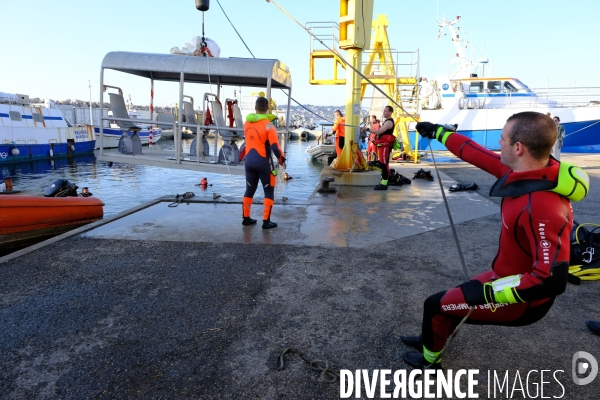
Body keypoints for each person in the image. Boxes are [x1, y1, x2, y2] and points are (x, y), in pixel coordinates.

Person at [400, 112, 589, 369]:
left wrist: (488, 292)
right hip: (503, 277)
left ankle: (429, 361)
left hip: (523, 301)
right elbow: (473, 151)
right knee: (451, 297)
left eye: (502, 138)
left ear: (519, 148)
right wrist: (437, 131)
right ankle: (430, 337)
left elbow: (549, 281)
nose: (498, 144)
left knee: (436, 305)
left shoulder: (543, 206)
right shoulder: (522, 170)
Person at [242, 96, 285, 229]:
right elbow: (275, 147)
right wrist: (282, 159)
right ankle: (266, 221)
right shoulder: (269, 126)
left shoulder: (247, 123)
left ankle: (246, 218)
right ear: (267, 109)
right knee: (268, 191)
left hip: (249, 162)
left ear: (255, 108)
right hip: (263, 163)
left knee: (249, 190)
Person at [360, 106, 396, 190]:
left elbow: (379, 131)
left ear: (390, 112)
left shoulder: (389, 122)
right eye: (384, 111)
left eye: (386, 111)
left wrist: (367, 129)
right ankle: (384, 182)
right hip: (383, 145)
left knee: (383, 164)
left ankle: (384, 184)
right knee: (384, 164)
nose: (384, 112)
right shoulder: (387, 121)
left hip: (385, 146)